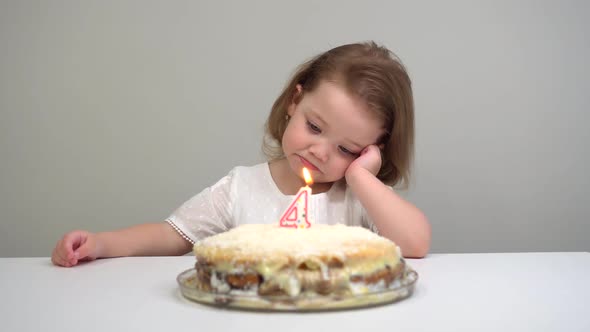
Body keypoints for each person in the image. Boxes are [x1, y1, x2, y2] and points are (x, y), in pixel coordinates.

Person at [51, 41, 431, 267]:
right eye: (314, 127)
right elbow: (172, 234)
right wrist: (101, 245)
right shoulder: (241, 188)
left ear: (371, 151)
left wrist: (362, 177)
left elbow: (415, 244)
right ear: (294, 102)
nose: (319, 151)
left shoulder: (359, 198)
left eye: (346, 149)